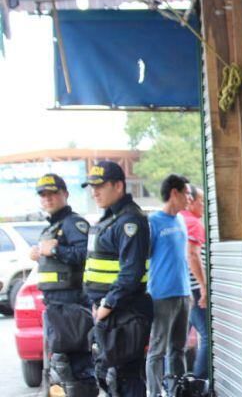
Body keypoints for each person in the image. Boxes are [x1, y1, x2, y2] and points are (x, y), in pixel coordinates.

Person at [82, 161, 153, 397]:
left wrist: (108, 303)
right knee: (111, 377)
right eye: (92, 187)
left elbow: (131, 272)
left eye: (100, 186)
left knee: (124, 377)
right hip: (111, 313)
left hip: (124, 311)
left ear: (119, 186)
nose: (95, 192)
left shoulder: (129, 221)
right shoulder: (112, 218)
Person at [30, 174, 98, 396]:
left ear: (65, 194)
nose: (48, 199)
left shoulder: (73, 223)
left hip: (72, 304)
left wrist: (55, 251)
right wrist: (41, 255)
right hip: (56, 306)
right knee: (61, 367)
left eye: (53, 193)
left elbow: (84, 254)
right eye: (43, 195)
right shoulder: (52, 227)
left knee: (76, 366)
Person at [146, 174, 193, 396]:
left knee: (178, 349)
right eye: (187, 193)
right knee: (157, 350)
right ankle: (155, 392)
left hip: (183, 293)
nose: (189, 198)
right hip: (161, 295)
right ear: (174, 193)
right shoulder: (153, 222)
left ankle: (178, 390)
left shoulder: (181, 220)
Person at [180, 185, 209, 379]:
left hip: (182, 289)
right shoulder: (192, 222)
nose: (203, 207)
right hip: (194, 289)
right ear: (190, 202)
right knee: (208, 336)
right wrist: (203, 286)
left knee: (177, 342)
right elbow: (192, 254)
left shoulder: (177, 219)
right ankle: (199, 382)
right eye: (201, 202)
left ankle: (173, 383)